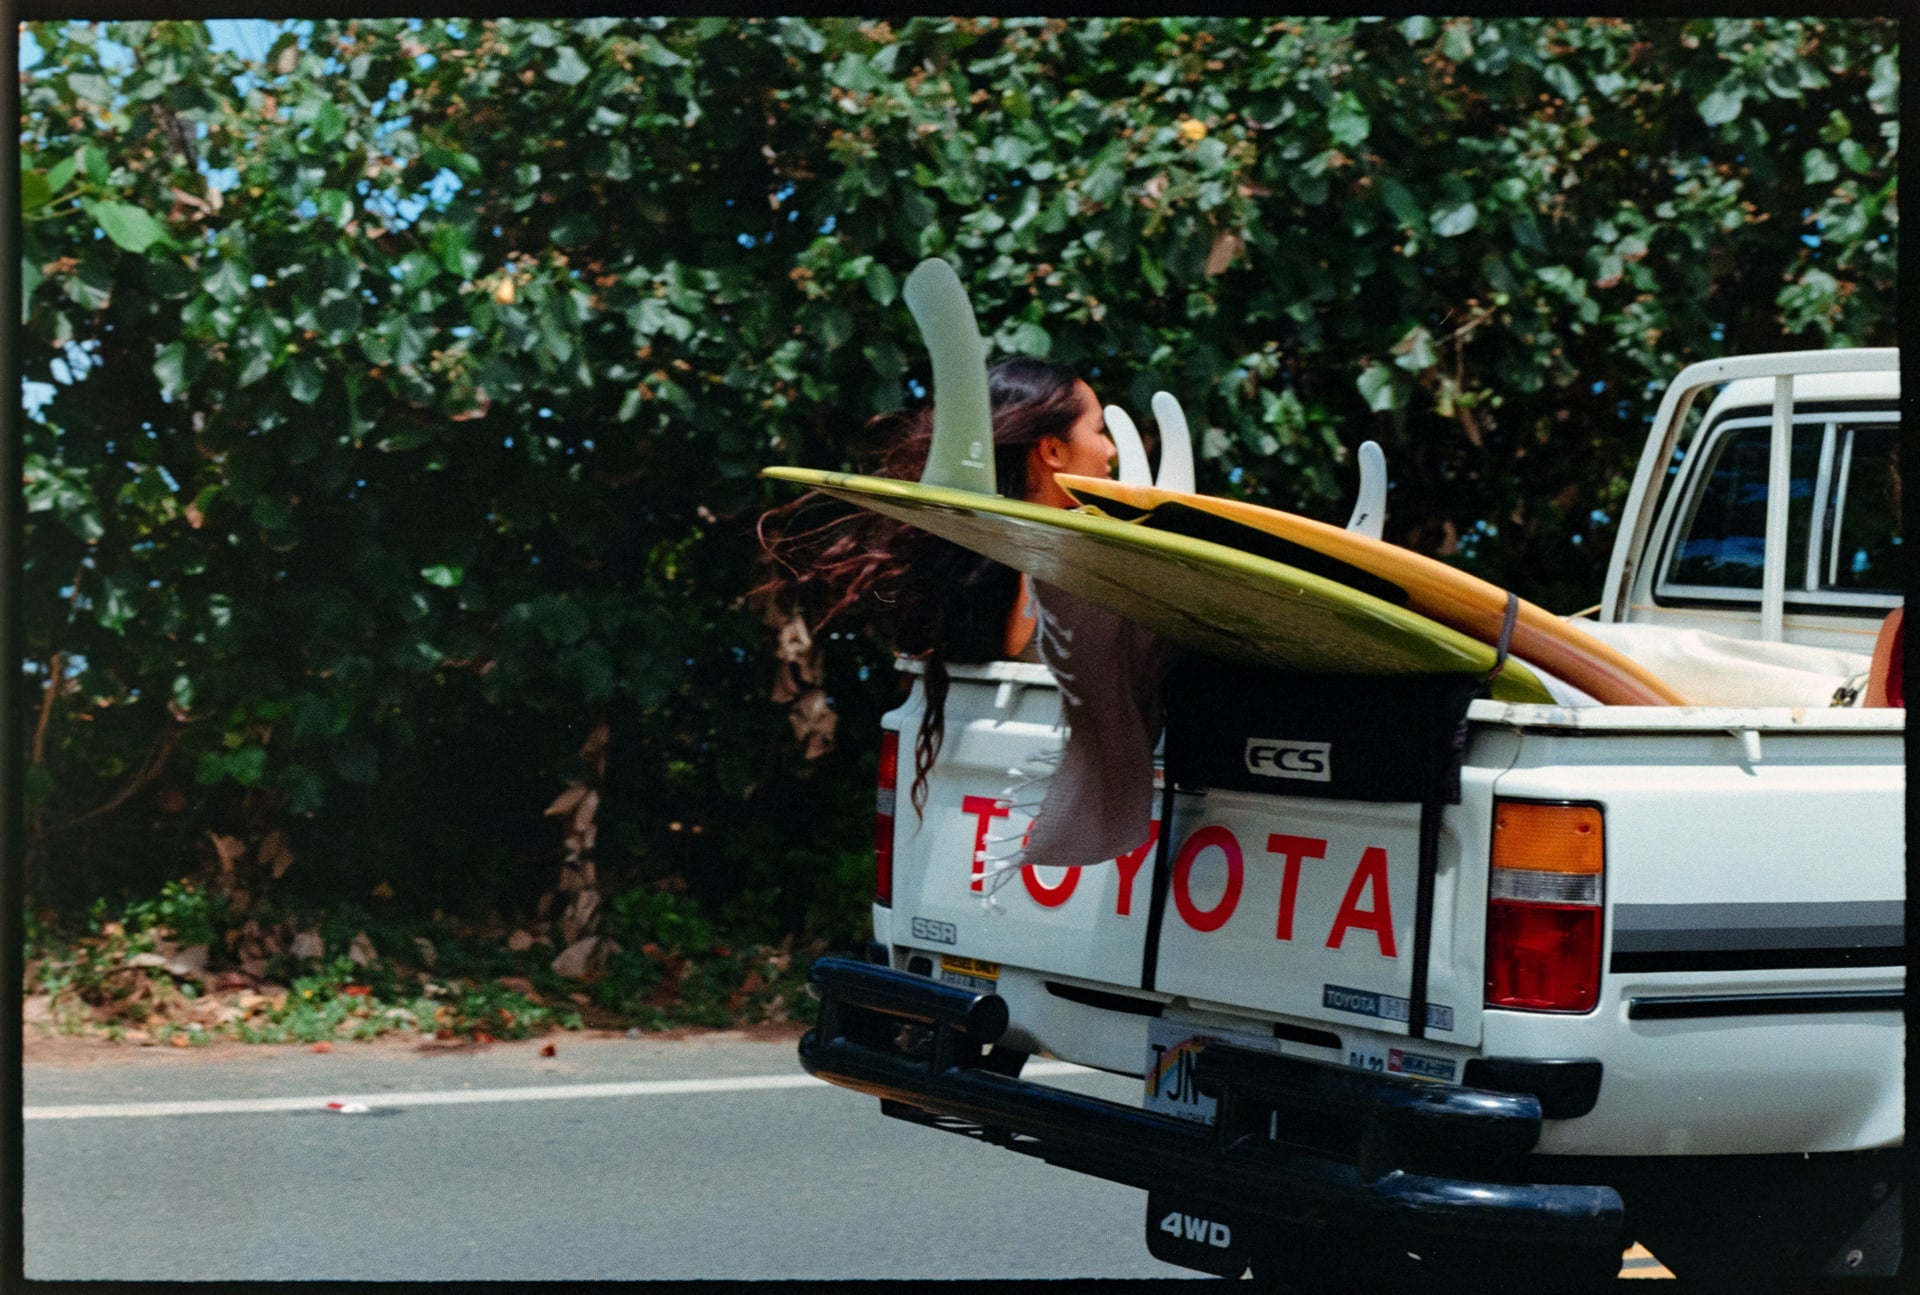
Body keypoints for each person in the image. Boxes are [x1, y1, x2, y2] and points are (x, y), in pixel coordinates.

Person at [757, 357, 1117, 814]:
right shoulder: (1059, 561)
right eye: (1099, 431)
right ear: (1052, 451)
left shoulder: (976, 564)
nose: (1110, 451)